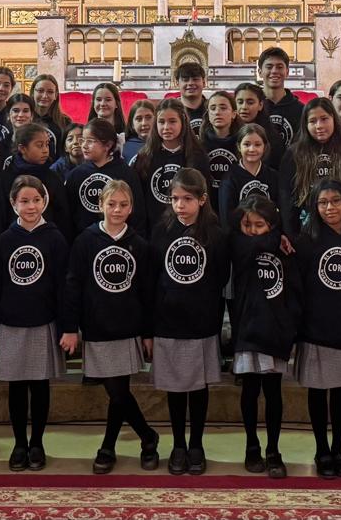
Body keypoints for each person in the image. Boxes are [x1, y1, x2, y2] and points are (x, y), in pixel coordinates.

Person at [61, 179, 160, 474]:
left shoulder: (140, 245)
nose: (117, 210)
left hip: (127, 328)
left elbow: (147, 293)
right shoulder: (85, 241)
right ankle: (147, 436)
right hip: (97, 327)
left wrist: (148, 332)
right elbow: (73, 286)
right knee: (117, 393)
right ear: (100, 205)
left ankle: (109, 448)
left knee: (119, 392)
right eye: (111, 204)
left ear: (131, 208)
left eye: (123, 205)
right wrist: (70, 327)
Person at [147, 169, 229, 476]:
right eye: (175, 199)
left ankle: (196, 444)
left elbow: (220, 277)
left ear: (202, 200)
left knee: (198, 388)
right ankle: (178, 444)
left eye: (187, 199)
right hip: (168, 322)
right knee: (176, 389)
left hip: (201, 323)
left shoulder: (216, 235)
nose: (180, 205)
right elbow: (154, 277)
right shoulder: (162, 230)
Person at [0, 176, 70, 471]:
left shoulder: (55, 239)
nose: (31, 206)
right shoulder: (3, 241)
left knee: (39, 385)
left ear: (44, 201)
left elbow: (64, 288)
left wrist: (67, 327)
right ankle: (19, 443)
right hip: (11, 325)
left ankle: (37, 442)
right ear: (13, 204)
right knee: (16, 387)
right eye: (24, 201)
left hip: (43, 323)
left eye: (36, 200)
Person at [293, 180, 341, 479]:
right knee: (317, 391)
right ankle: (321, 449)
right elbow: (298, 286)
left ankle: (338, 448)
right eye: (323, 203)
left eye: (336, 201)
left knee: (340, 393)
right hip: (315, 327)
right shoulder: (306, 241)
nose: (330, 208)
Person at [229, 196, 299, 480]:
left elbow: (294, 290)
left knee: (273, 393)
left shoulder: (284, 250)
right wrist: (275, 236)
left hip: (275, 330)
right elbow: (251, 245)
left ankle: (273, 449)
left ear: (271, 223)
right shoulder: (239, 244)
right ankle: (251, 446)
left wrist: (290, 326)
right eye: (248, 225)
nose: (253, 231)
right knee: (249, 391)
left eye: (260, 225)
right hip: (248, 328)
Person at [277, 99, 341, 234]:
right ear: (305, 124)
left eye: (324, 119)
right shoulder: (293, 154)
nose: (319, 126)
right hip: (306, 231)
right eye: (312, 121)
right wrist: (291, 234)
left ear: (334, 119)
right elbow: (286, 199)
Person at [66, 119, 149, 235]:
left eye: (90, 141)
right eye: (83, 140)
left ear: (108, 145)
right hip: (85, 241)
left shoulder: (126, 173)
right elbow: (69, 215)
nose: (84, 145)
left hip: (120, 239)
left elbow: (137, 214)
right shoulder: (76, 175)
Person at [0, 123, 69, 238]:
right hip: (14, 241)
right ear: (22, 148)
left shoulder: (53, 177)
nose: (45, 150)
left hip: (47, 240)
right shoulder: (5, 179)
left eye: (47, 144)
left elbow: (63, 217)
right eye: (39, 145)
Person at [132, 100, 208, 209]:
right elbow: (138, 198)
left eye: (172, 121)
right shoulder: (145, 156)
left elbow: (203, 198)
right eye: (161, 122)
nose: (166, 127)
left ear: (183, 122)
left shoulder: (197, 156)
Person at [218, 123, 280, 231]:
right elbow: (226, 218)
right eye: (246, 144)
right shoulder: (230, 178)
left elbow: (278, 211)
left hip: (268, 235)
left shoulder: (273, 176)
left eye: (257, 144)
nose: (252, 149)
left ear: (264, 147)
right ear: (239, 146)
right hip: (239, 237)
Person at [258, 47, 304, 148]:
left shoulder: (301, 109)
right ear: (260, 72)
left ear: (287, 72)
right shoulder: (252, 107)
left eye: (279, 67)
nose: (274, 71)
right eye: (269, 67)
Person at [199, 90, 240, 195]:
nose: (217, 112)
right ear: (208, 114)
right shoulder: (199, 145)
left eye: (223, 108)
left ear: (234, 114)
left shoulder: (243, 142)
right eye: (213, 108)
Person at [171, 62, 209, 134]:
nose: (190, 83)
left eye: (195, 79)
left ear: (204, 83)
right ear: (177, 83)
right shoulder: (171, 110)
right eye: (185, 80)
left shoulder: (212, 108)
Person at [121, 99, 157, 164]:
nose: (144, 123)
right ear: (132, 124)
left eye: (148, 117)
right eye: (139, 119)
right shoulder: (123, 147)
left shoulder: (163, 145)